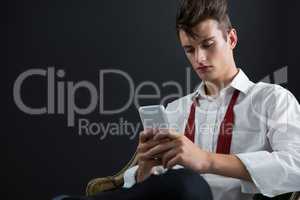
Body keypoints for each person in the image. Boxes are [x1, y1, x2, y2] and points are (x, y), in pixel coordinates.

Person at [54, 0, 300, 199]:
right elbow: (143, 188)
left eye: (208, 44)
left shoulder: (273, 100)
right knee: (176, 183)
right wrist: (145, 169)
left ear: (231, 39)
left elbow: (296, 165)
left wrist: (206, 160)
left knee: (188, 183)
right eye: (190, 49)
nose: (199, 58)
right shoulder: (175, 110)